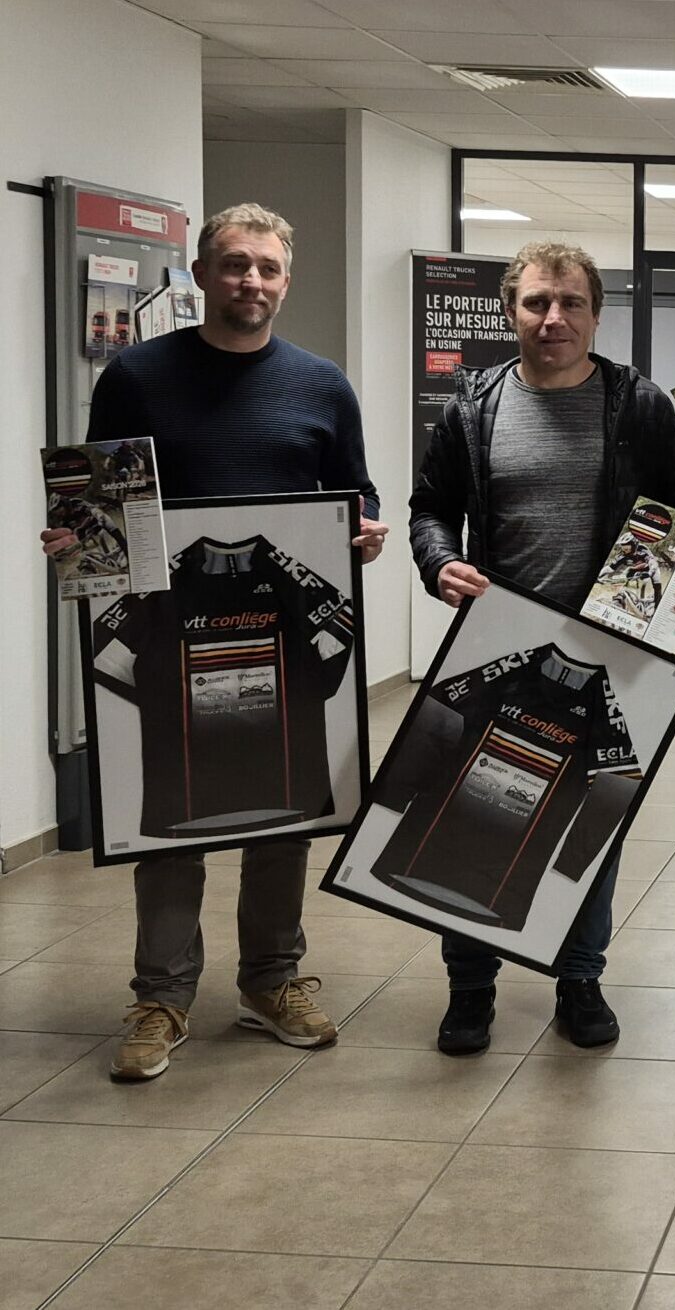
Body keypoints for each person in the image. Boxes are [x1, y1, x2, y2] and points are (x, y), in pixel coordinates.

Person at [39, 202, 387, 1081]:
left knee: (281, 817)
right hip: (170, 634)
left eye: (267, 267)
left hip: (275, 638)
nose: (251, 281)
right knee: (170, 828)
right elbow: (101, 499)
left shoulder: (322, 385)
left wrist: (364, 532)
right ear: (201, 274)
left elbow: (355, 493)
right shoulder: (136, 376)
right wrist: (79, 535)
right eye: (235, 264)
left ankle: (271, 981)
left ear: (286, 280)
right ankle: (161, 997)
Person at [410, 240, 675, 1055]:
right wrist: (439, 561)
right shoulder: (473, 407)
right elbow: (430, 508)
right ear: (510, 312)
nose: (554, 318)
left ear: (595, 314)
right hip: (496, 646)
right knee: (474, 808)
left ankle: (579, 977)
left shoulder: (638, 406)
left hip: (613, 648)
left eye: (571, 302)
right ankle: (470, 986)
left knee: (594, 818)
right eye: (537, 302)